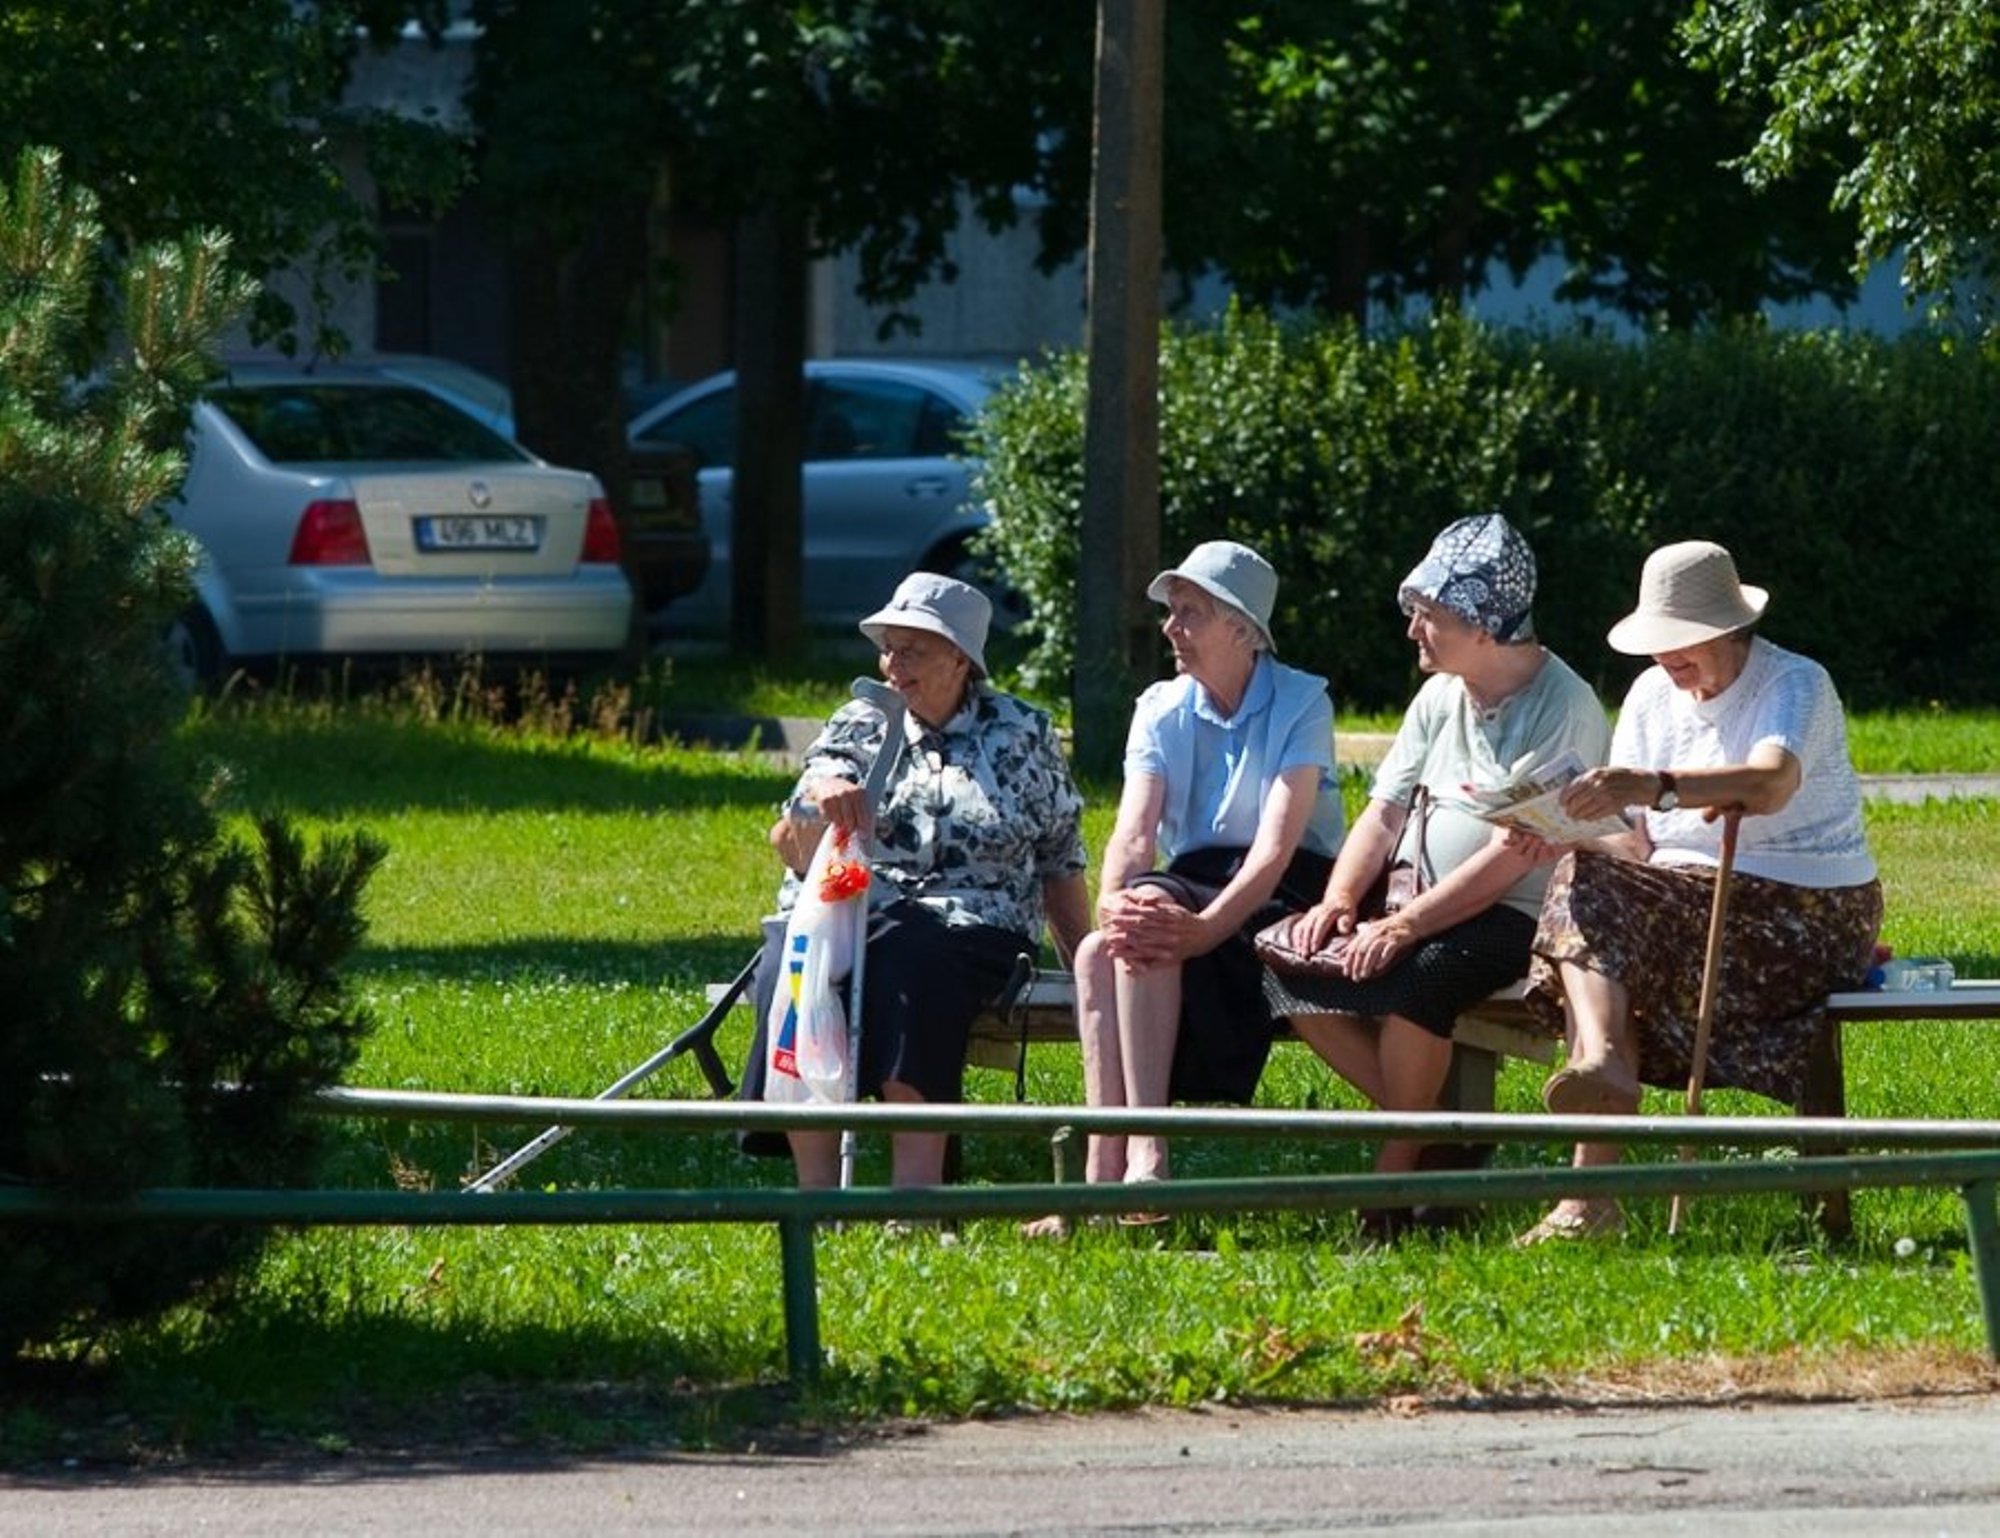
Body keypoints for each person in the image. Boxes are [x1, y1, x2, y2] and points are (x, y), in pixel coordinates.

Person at [1516, 540, 1883, 1244]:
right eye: (1659, 646)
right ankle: (1602, 1074)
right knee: (1587, 896)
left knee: (1597, 933)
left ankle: (1591, 1171)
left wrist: (1658, 786)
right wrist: (1563, 833)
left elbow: (1769, 784)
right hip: (1680, 898)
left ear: (1728, 628)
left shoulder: (1794, 684)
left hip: (1804, 907)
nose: (1667, 661)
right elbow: (1635, 843)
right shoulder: (1654, 694)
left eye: (1682, 644)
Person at [1261, 515, 1610, 1234]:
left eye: (1431, 616)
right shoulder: (1440, 695)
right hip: (1413, 902)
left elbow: (1520, 851)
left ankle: (1392, 1184)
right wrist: (1339, 898)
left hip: (1522, 913)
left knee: (1423, 978)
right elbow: (1385, 813)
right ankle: (1442, 1140)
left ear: (1486, 628)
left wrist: (1405, 926)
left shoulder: (1564, 705)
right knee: (1285, 966)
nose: (1414, 630)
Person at [1024, 540, 1345, 1234]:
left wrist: (1205, 929)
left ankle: (1146, 1159)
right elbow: (1134, 833)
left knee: (1151, 925)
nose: (1171, 628)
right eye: (1172, 612)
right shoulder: (1161, 706)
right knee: (1096, 951)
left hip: (1289, 887)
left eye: (1189, 612)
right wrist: (1114, 902)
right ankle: (1102, 1180)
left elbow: (1275, 847)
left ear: (1242, 628)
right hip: (1193, 879)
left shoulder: (1302, 700)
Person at [740, 572, 1092, 1188]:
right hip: (851, 912)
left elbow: (1061, 858)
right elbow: (791, 836)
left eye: (913, 649)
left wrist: (1085, 968)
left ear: (961, 657)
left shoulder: (1020, 732)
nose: (893, 664)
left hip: (974, 925)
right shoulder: (862, 721)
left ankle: (916, 1193)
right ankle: (816, 1196)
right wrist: (822, 799)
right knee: (792, 962)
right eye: (888, 647)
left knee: (911, 956)